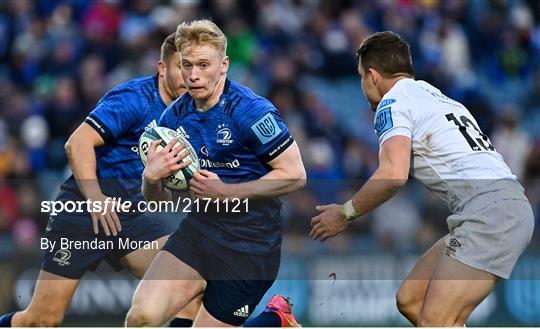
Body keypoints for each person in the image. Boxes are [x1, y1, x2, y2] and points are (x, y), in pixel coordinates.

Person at [310, 31, 534, 327]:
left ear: (373, 76)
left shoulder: (393, 102)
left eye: (362, 76)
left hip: (490, 213)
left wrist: (345, 213)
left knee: (434, 321)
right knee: (411, 299)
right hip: (497, 206)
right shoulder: (435, 95)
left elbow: (392, 175)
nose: (363, 85)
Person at [0, 33, 201, 327]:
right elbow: (76, 144)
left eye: (195, 68)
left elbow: (159, 197)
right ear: (161, 67)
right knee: (42, 320)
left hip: (129, 215)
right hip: (83, 209)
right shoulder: (133, 98)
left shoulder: (188, 117)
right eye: (181, 67)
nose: (190, 76)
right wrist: (95, 198)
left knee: (187, 283)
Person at [125, 19, 306, 327]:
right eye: (187, 65)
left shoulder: (251, 111)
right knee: (141, 317)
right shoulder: (173, 118)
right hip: (199, 232)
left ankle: (276, 320)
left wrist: (229, 191)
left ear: (224, 65)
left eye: (203, 65)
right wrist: (151, 178)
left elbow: (295, 174)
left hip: (250, 247)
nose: (194, 75)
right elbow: (159, 200)